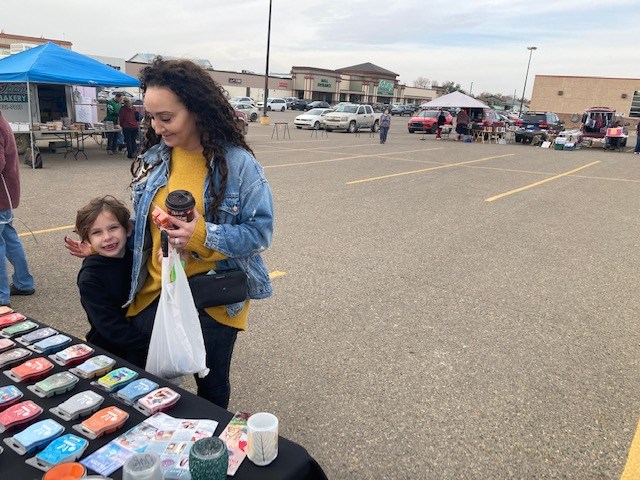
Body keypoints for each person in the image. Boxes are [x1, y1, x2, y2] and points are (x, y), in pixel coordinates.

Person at [67, 58, 274, 409]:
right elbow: (146, 227)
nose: (157, 126)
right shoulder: (155, 158)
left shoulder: (238, 165)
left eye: (166, 118)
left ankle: (208, 447)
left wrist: (201, 234)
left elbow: (259, 233)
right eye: (151, 117)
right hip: (154, 290)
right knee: (147, 379)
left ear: (196, 110)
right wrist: (108, 248)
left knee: (211, 385)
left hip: (213, 299)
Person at [72, 196, 149, 360]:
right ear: (86, 240)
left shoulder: (138, 259)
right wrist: (149, 348)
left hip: (141, 345)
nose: (107, 237)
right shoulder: (90, 278)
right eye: (97, 232)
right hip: (110, 354)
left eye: (113, 228)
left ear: (128, 229)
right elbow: (110, 326)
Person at [0, 111, 35, 307]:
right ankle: (23, 283)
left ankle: (1, 296)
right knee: (9, 238)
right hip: (5, 194)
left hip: (1, 194)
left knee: (5, 241)